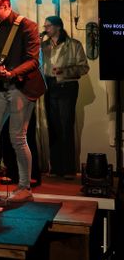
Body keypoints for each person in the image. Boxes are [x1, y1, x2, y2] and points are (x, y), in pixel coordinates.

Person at [0, 0, 45, 201]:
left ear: (5, 6)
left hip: (21, 88)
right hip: (0, 87)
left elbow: (33, 60)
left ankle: (25, 188)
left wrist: (11, 73)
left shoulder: (27, 26)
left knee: (17, 137)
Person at [41, 15, 89, 178]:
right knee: (52, 126)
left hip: (67, 86)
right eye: (45, 26)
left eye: (48, 26)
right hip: (49, 86)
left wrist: (64, 71)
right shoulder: (44, 46)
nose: (46, 29)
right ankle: (55, 167)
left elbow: (83, 67)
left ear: (58, 27)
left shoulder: (74, 44)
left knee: (66, 126)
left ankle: (68, 168)